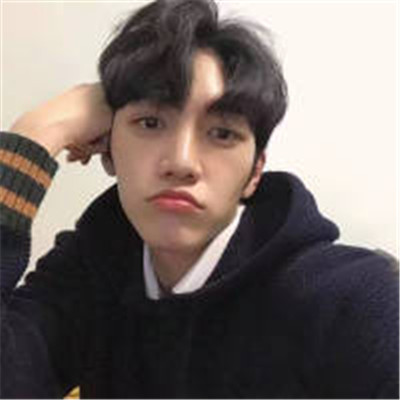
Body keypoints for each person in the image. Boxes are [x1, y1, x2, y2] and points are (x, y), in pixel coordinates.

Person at [0, 0, 398, 398]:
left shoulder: (350, 298)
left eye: (222, 134)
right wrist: (36, 135)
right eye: (150, 122)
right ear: (108, 150)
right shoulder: (89, 272)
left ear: (254, 173)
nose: (181, 162)